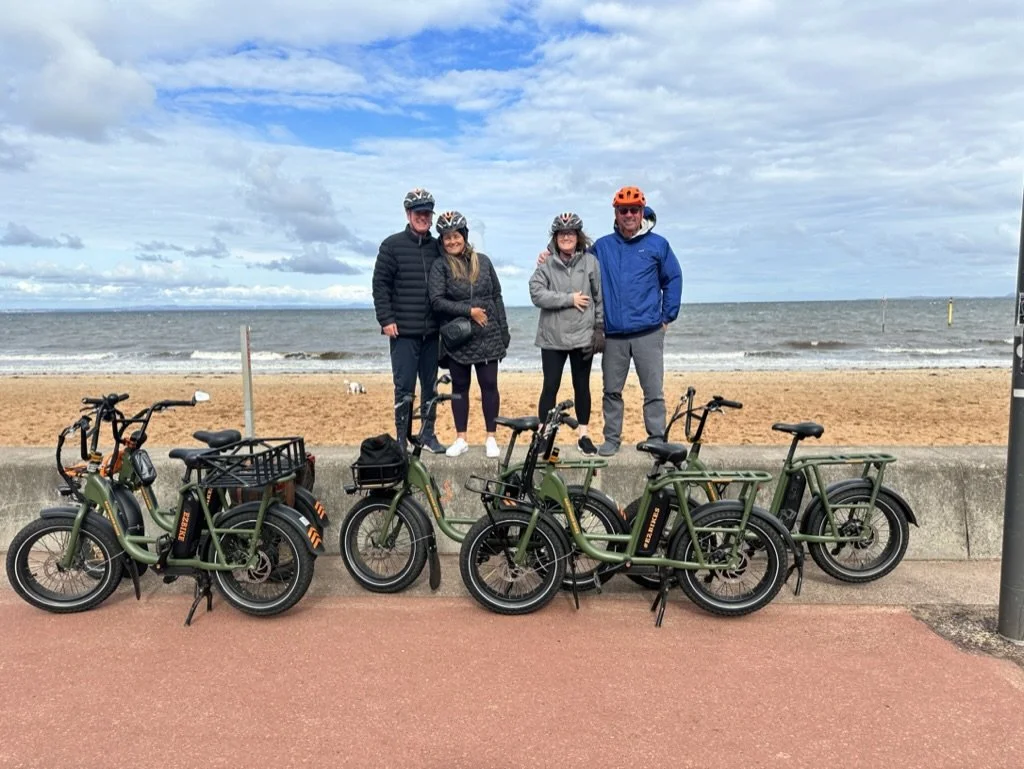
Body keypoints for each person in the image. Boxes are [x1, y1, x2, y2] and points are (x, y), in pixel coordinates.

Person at [591, 187, 682, 456]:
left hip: (649, 332)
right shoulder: (603, 246)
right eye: (623, 210)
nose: (628, 214)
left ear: (642, 212)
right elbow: (575, 261)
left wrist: (668, 317)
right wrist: (549, 254)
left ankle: (656, 438)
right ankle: (611, 439)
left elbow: (673, 278)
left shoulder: (658, 244)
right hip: (614, 335)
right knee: (611, 391)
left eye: (633, 209)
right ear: (616, 214)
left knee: (653, 390)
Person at [428, 211, 510, 458]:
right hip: (459, 336)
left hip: (488, 334)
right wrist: (469, 310)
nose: (452, 241)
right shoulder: (440, 266)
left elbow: (497, 295)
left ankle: (491, 438)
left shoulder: (483, 262)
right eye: (447, 238)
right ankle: (461, 438)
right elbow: (437, 301)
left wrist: (504, 330)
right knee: (460, 387)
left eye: (456, 236)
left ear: (464, 236)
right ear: (442, 241)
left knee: (489, 386)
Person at [371, 187, 447, 453]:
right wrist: (386, 319)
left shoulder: (437, 246)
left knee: (431, 388)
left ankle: (427, 435)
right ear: (408, 213)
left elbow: (461, 251)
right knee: (404, 388)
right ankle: (402, 438)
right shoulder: (391, 245)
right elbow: (380, 285)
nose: (423, 217)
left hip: (431, 331)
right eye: (418, 212)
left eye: (427, 212)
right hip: (402, 331)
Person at [528, 212, 603, 456]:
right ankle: (543, 435)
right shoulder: (546, 263)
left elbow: (598, 297)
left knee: (582, 386)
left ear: (578, 236)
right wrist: (569, 299)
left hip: (582, 335)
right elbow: (537, 294)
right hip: (553, 338)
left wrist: (599, 329)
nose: (566, 237)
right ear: (555, 237)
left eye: (571, 233)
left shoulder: (590, 262)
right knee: (550, 386)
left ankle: (583, 435)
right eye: (562, 233)